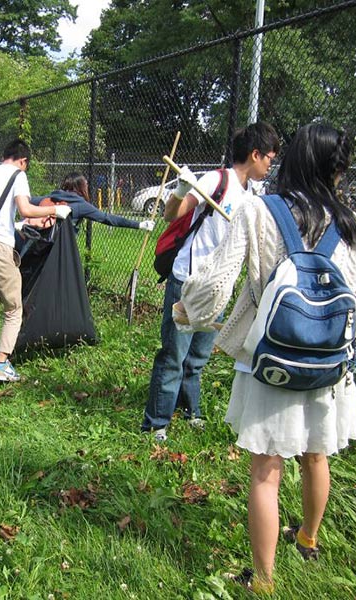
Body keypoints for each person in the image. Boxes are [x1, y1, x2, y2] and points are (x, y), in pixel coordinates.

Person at [175, 123, 356, 594]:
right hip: (327, 365)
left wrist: (191, 310)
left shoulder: (259, 211)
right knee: (315, 454)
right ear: (336, 169)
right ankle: (307, 539)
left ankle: (263, 580)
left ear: (291, 161)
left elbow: (218, 281)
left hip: (270, 359)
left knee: (266, 470)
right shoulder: (352, 224)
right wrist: (324, 337)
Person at [140, 122, 280, 442]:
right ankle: (156, 423)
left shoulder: (253, 196)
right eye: (269, 158)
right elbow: (171, 216)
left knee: (198, 356)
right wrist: (180, 190)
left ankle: (191, 412)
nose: (270, 165)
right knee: (174, 354)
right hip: (189, 280)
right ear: (255, 154)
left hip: (218, 285)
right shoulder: (216, 180)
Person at [0, 139, 71, 383]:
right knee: (13, 308)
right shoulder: (18, 175)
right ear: (23, 160)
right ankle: (1, 364)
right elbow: (25, 209)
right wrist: (54, 211)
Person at [18, 172, 156, 233]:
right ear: (82, 187)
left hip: (37, 243)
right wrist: (139, 224)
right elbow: (108, 218)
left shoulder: (52, 197)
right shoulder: (81, 205)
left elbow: (27, 201)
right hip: (60, 250)